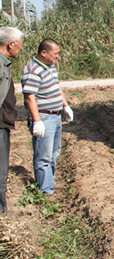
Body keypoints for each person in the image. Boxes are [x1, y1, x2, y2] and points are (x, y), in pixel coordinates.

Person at [21, 39, 74, 194]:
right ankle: (45, 189)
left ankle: (49, 181)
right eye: (55, 53)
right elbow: (30, 96)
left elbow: (57, 87)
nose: (57, 56)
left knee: (53, 152)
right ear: (44, 53)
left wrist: (65, 105)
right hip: (44, 117)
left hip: (56, 116)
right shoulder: (33, 70)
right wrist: (37, 121)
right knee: (43, 155)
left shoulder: (50, 67)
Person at [0, 27, 23, 214]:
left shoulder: (4, 63)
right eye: (19, 46)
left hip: (3, 123)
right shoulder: (0, 65)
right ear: (10, 44)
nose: (20, 49)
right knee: (1, 168)